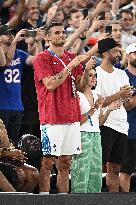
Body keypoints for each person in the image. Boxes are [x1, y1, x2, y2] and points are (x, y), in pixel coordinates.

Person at [33, 21, 98, 194]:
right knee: (47, 162)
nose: (61, 35)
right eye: (56, 32)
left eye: (63, 32)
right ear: (48, 37)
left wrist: (85, 71)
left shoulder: (71, 56)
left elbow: (79, 85)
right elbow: (50, 85)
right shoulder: (42, 58)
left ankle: (63, 198)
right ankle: (44, 198)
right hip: (52, 117)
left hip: (71, 115)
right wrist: (71, 66)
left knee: (66, 162)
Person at [71, 59, 122, 193]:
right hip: (82, 135)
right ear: (84, 77)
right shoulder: (78, 95)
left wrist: (109, 109)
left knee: (95, 173)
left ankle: (94, 199)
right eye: (90, 75)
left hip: (96, 135)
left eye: (95, 75)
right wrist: (93, 109)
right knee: (81, 171)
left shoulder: (96, 95)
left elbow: (99, 122)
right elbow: (77, 121)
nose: (93, 78)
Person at [95, 37, 134, 192]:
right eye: (115, 51)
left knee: (116, 169)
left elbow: (127, 101)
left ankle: (114, 200)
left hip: (122, 126)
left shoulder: (121, 74)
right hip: (105, 125)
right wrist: (119, 94)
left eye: (119, 51)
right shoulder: (97, 73)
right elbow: (100, 102)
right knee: (99, 167)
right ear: (105, 53)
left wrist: (127, 97)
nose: (119, 54)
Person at [0, 29, 42, 147]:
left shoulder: (20, 53)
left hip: (17, 107)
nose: (10, 36)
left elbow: (38, 62)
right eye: (6, 33)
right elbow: (6, 62)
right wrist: (14, 41)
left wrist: (38, 42)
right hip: (1, 107)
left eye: (12, 34)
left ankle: (11, 166)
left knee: (13, 144)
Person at [0, 119, 39, 192]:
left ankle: (22, 200)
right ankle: (15, 200)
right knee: (19, 174)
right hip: (2, 156)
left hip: (4, 158)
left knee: (33, 173)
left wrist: (15, 153)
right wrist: (5, 153)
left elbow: (7, 144)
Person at [120, 43, 136, 192]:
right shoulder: (122, 76)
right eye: (135, 53)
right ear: (127, 56)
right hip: (129, 131)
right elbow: (128, 105)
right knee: (126, 171)